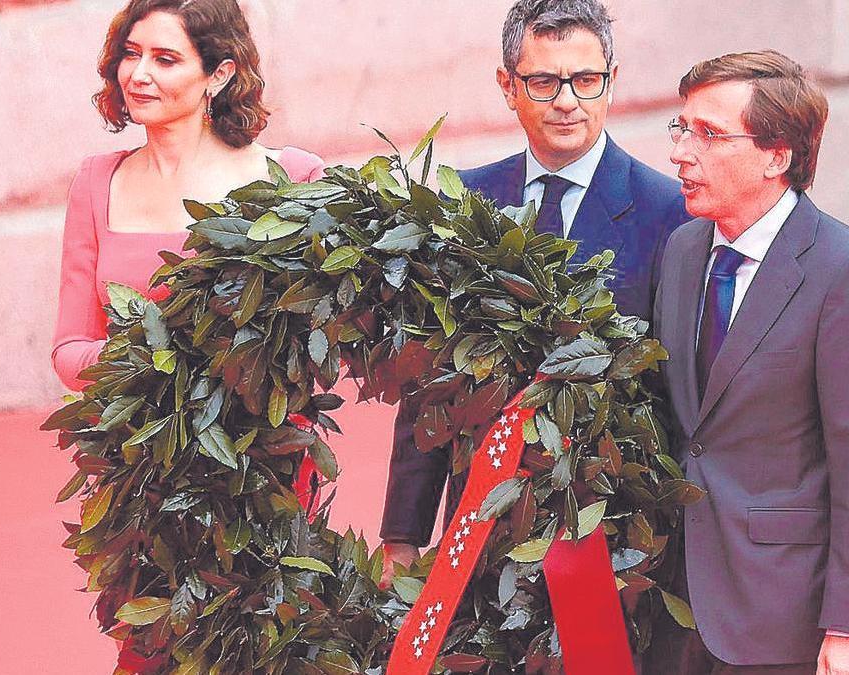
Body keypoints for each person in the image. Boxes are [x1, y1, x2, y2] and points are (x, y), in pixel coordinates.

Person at [378, 0, 689, 581]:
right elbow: (427, 383)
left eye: (586, 80)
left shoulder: (670, 213)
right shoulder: (461, 206)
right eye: (545, 81)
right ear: (508, 85)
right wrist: (402, 533)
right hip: (479, 527)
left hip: (614, 536)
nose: (567, 101)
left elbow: (678, 393)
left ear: (612, 82)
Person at [646, 50, 849, 675]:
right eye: (681, 128)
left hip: (779, 615)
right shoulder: (682, 251)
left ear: (777, 155)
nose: (682, 152)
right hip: (671, 605)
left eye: (708, 134)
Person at [51, 0, 324, 391]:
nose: (139, 74)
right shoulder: (97, 182)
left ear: (219, 75)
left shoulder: (294, 178)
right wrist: (157, 357)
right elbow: (69, 352)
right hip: (137, 444)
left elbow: (326, 334)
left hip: (264, 444)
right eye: (131, 54)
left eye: (165, 60)